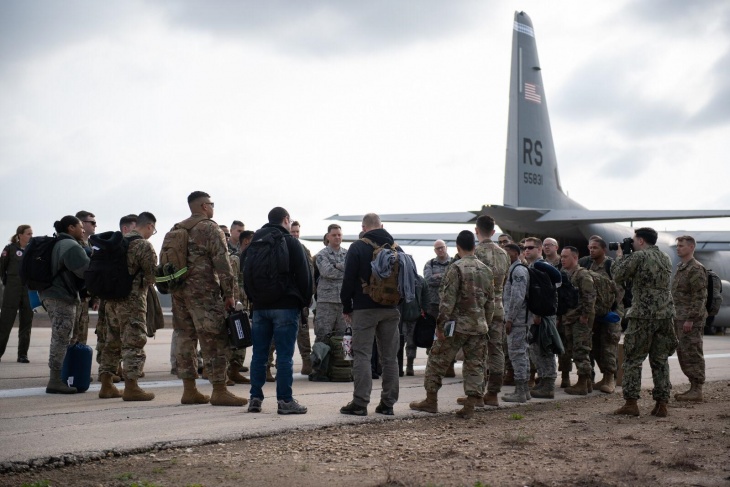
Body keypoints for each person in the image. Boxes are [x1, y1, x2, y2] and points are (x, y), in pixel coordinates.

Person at [171, 191, 245, 407]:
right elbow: (223, 263)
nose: (213, 207)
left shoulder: (177, 228)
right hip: (203, 292)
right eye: (211, 204)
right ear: (204, 206)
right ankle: (219, 390)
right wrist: (229, 294)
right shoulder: (210, 227)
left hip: (179, 292)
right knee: (214, 339)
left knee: (185, 337)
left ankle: (189, 390)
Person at [410, 231, 494, 419]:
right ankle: (470, 405)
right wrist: (485, 323)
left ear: (457, 247)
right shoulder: (486, 270)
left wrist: (440, 326)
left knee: (436, 360)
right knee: (475, 365)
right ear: (474, 245)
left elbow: (447, 301)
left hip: (456, 326)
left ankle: (431, 400)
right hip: (479, 326)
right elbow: (491, 303)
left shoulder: (455, 268)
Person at [245, 207, 312, 415]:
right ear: (285, 220)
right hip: (285, 306)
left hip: (260, 308)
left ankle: (255, 398)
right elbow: (305, 276)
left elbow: (245, 274)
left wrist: (254, 300)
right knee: (284, 356)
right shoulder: (292, 242)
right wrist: (303, 302)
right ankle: (285, 400)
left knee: (259, 355)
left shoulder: (253, 244)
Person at [339, 213, 401, 416]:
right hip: (391, 309)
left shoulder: (358, 247)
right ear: (382, 226)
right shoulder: (396, 249)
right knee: (390, 358)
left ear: (364, 227)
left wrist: (347, 306)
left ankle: (360, 403)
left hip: (364, 308)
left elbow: (348, 280)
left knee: (363, 355)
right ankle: (388, 404)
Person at [612, 227, 677, 417]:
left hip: (642, 315)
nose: (631, 244)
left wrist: (620, 256)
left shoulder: (639, 257)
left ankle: (631, 403)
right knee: (660, 360)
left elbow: (617, 275)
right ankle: (662, 404)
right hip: (664, 315)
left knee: (632, 360)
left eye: (633, 241)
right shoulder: (665, 257)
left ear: (641, 241)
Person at [98, 212, 159, 401]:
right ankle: (132, 386)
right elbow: (151, 276)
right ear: (148, 226)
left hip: (111, 301)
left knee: (112, 342)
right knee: (134, 342)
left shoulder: (115, 243)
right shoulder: (143, 245)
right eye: (153, 230)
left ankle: (106, 385)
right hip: (132, 301)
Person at [39, 216, 90, 394]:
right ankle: (54, 380)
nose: (83, 230)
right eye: (80, 226)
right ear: (70, 228)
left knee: (64, 336)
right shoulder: (70, 246)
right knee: (61, 337)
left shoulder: (59, 242)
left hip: (52, 294)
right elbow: (86, 271)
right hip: (60, 296)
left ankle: (63, 376)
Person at [470, 215, 510, 406]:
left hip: (480, 310)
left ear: (476, 231)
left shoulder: (475, 253)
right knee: (497, 350)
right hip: (499, 308)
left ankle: (476, 394)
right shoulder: (504, 254)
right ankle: (493, 394)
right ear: (493, 232)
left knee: (477, 352)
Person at [579, 236, 623, 393]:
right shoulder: (587, 264)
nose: (591, 250)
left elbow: (619, 289)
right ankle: (601, 377)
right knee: (595, 346)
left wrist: (612, 309)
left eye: (595, 248)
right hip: (594, 313)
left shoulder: (611, 265)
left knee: (608, 346)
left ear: (604, 249)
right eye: (590, 247)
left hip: (610, 313)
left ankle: (610, 378)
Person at [522, 237, 561, 397]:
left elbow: (544, 293)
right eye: (525, 248)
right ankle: (543, 381)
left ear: (539, 250)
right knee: (536, 349)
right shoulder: (532, 266)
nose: (526, 250)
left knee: (544, 349)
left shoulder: (540, 266)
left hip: (542, 315)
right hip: (537, 315)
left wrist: (538, 313)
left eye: (531, 247)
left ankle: (548, 385)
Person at [671, 235, 708, 402]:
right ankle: (693, 387)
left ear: (691, 247)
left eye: (681, 245)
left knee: (692, 352)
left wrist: (691, 319)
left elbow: (700, 297)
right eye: (677, 245)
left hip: (690, 320)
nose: (678, 248)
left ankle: (697, 389)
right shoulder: (681, 267)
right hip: (680, 317)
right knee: (684, 352)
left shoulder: (696, 269)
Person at [558, 246, 596, 396]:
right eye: (561, 256)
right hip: (570, 318)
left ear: (575, 257)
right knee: (574, 349)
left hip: (580, 320)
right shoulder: (566, 274)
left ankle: (582, 383)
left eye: (565, 257)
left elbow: (589, 296)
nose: (562, 259)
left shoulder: (582, 275)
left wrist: (585, 316)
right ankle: (586, 383)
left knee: (581, 351)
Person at [0, 225, 34, 363]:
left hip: (28, 290)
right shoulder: (10, 249)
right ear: (19, 235)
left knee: (26, 323)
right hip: (12, 290)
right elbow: (2, 268)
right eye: (28, 234)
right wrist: (7, 282)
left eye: (32, 233)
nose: (31, 236)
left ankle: (22, 355)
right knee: (5, 323)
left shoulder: (33, 250)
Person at [501, 243, 531, 403]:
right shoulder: (514, 269)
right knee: (521, 354)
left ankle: (520, 391)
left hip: (517, 321)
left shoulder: (518, 270)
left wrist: (510, 319)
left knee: (517, 354)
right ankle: (524, 390)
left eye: (506, 252)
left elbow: (517, 297)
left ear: (514, 253)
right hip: (518, 320)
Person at [423, 239, 454, 377]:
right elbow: (428, 279)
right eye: (437, 248)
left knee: (449, 335)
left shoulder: (454, 262)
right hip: (434, 305)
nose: (440, 250)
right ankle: (433, 366)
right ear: (434, 250)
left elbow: (454, 279)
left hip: (449, 305)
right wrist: (445, 276)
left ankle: (449, 366)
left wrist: (439, 276)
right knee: (433, 335)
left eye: (442, 247)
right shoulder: (429, 264)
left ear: (446, 247)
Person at [314, 224, 348, 343]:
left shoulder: (348, 254)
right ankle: (322, 362)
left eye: (339, 235)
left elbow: (353, 272)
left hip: (344, 302)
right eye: (334, 235)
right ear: (328, 236)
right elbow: (327, 271)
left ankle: (342, 362)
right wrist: (344, 270)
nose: (337, 237)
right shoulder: (322, 255)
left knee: (344, 339)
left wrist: (335, 266)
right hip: (326, 303)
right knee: (323, 337)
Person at [73, 210, 99, 345]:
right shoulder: (73, 245)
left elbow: (94, 273)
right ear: (82, 223)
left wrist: (95, 298)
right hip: (72, 297)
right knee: (71, 337)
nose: (95, 225)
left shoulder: (91, 245)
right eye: (92, 222)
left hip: (85, 299)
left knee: (81, 339)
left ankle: (77, 366)